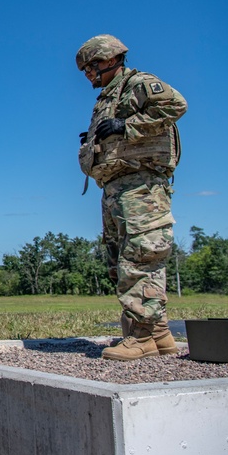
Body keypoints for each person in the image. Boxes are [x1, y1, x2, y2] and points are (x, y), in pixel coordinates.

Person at [76, 34, 186, 361]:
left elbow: (176, 104)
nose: (87, 76)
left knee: (140, 258)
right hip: (115, 188)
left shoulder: (138, 83)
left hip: (141, 188)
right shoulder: (108, 97)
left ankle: (140, 339)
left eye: (89, 68)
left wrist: (126, 125)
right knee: (120, 263)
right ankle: (160, 334)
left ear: (108, 60)